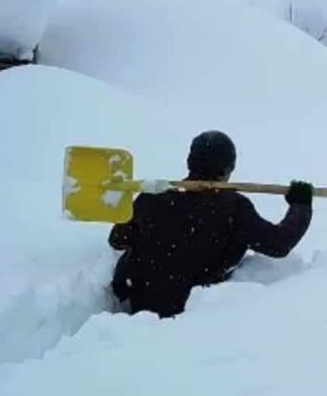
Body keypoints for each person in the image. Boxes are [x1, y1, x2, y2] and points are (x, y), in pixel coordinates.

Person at [109, 130, 313, 319]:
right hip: (194, 315)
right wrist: (300, 206)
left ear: (189, 161)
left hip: (141, 310)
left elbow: (117, 240)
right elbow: (278, 244)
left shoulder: (152, 197)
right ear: (227, 169)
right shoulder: (234, 208)